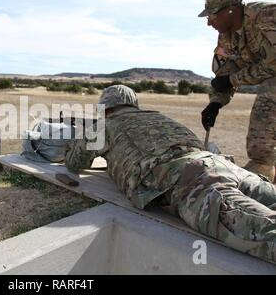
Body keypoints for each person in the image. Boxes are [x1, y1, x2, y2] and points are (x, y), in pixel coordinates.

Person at [65, 85, 276, 264]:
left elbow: (75, 163)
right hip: (224, 166)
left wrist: (77, 139)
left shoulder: (103, 126)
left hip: (191, 179)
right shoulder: (158, 117)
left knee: (266, 235)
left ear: (104, 108)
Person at [198, 0, 276, 181]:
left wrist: (232, 80)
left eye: (213, 16)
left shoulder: (266, 16)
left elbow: (273, 64)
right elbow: (224, 73)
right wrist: (216, 102)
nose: (209, 22)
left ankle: (261, 167)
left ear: (230, 10)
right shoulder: (227, 36)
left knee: (268, 100)